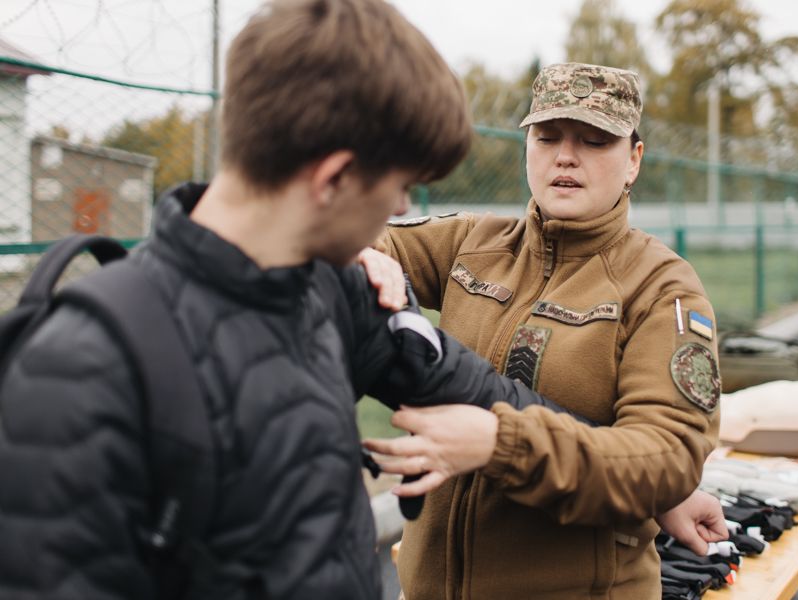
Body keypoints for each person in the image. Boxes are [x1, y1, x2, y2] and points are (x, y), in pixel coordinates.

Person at [0, 1, 482, 598]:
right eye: (402, 185)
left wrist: (513, 443)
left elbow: (492, 395)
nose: (404, 207)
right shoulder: (82, 371)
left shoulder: (331, 290)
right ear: (334, 178)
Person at [364, 62, 723, 599]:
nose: (566, 156)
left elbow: (667, 460)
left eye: (595, 141)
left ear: (634, 160)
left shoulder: (660, 288)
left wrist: (499, 443)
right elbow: (353, 237)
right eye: (547, 136)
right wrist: (363, 249)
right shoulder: (474, 244)